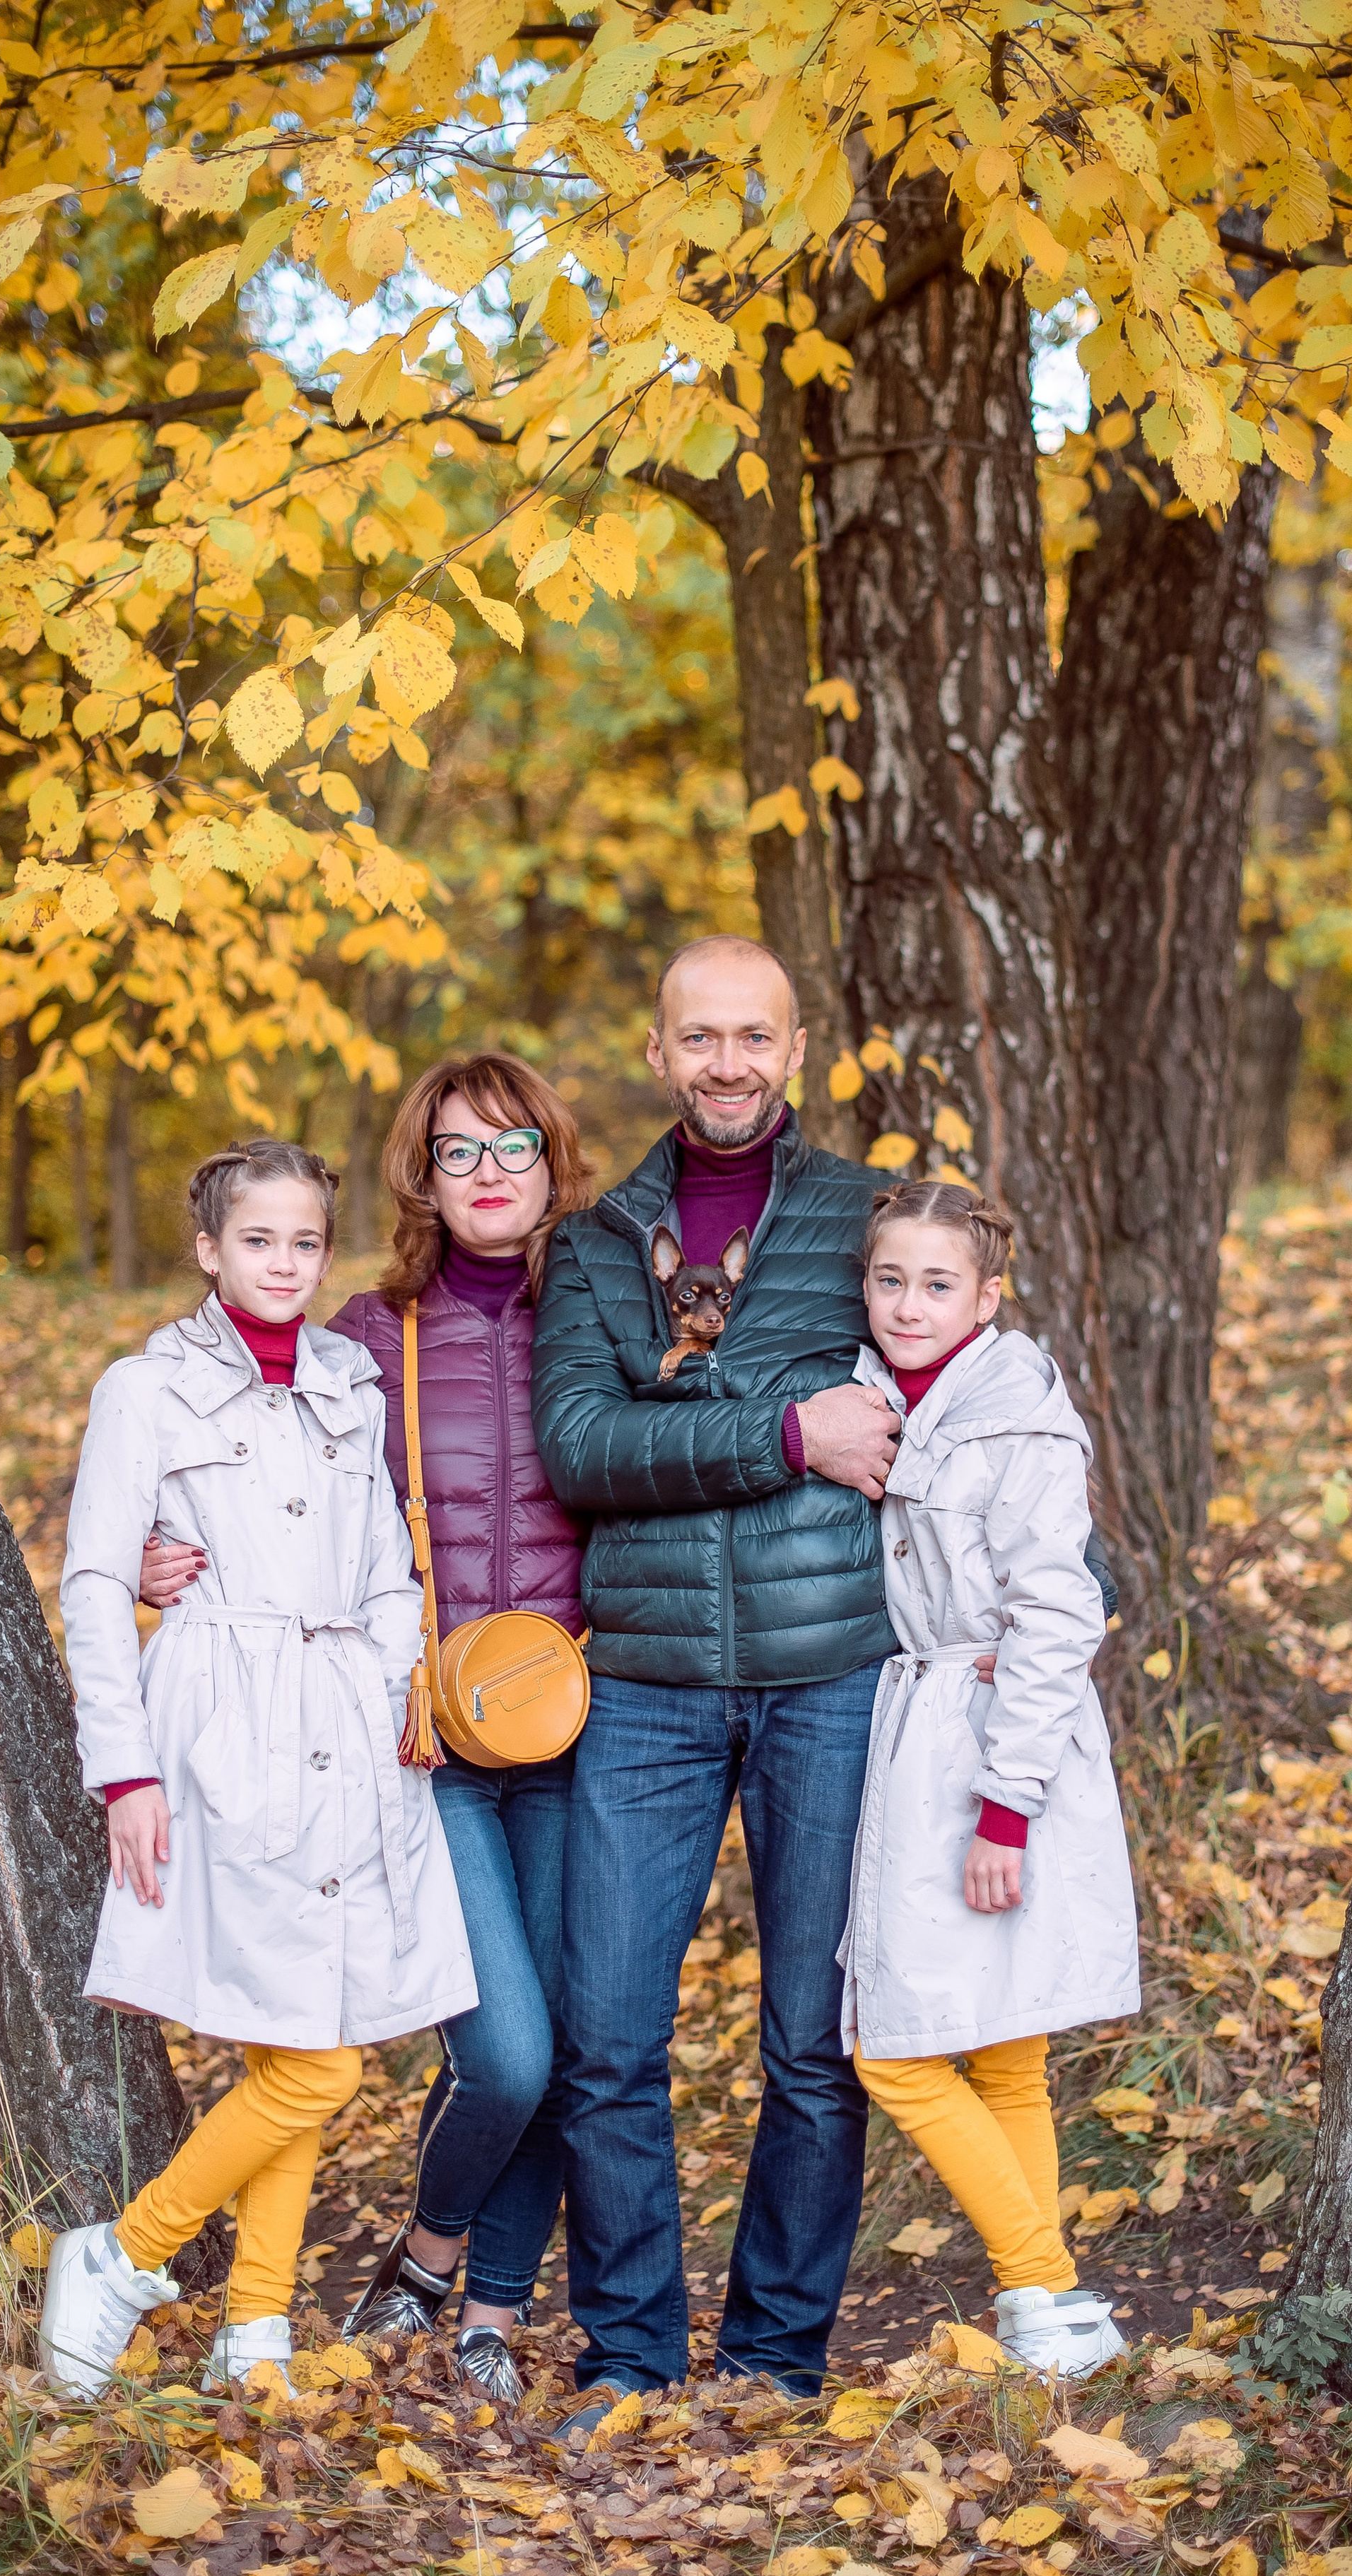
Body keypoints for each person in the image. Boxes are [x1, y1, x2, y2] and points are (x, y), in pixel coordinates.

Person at [139, 1058, 592, 2408]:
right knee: (505, 2048)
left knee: (572, 2043)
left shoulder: (605, 1314)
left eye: (516, 1144)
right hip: (421, 1732)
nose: (491, 1169)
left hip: (583, 1717)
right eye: (459, 1150)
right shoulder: (360, 1337)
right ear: (421, 1175)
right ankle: (424, 2252)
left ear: (555, 1161)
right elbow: (260, 1467)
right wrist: (170, 1549)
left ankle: (489, 2311)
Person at [530, 934, 909, 2425]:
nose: (727, 1062)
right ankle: (626, 2352)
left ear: (797, 1047)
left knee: (813, 2051)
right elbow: (579, 1452)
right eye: (700, 1037)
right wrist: (782, 1436)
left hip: (828, 1676)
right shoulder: (595, 1237)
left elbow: (934, 1392)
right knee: (606, 2038)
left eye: (754, 1035)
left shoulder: (859, 1216)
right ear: (656, 1051)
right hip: (644, 1684)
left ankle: (772, 2360)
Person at [40, 1139, 474, 2404]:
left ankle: (259, 2330)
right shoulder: (149, 1388)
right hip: (222, 1732)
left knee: (307, 2036)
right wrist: (123, 1774)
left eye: (304, 1242)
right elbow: (93, 1581)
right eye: (258, 1241)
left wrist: (402, 1683)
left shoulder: (349, 1378)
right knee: (315, 2062)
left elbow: (390, 1569)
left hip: (355, 1730)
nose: (284, 1264)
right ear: (208, 1249)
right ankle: (124, 2258)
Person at [842, 1180, 1139, 2377]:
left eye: (938, 1284)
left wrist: (1005, 1809)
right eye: (890, 1279)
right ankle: (1041, 2316)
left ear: (988, 1297)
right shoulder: (878, 1398)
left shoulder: (1015, 1418)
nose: (910, 1304)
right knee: (1005, 2046)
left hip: (994, 1742)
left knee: (897, 2052)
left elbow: (1060, 1614)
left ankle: (1047, 2285)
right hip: (921, 1723)